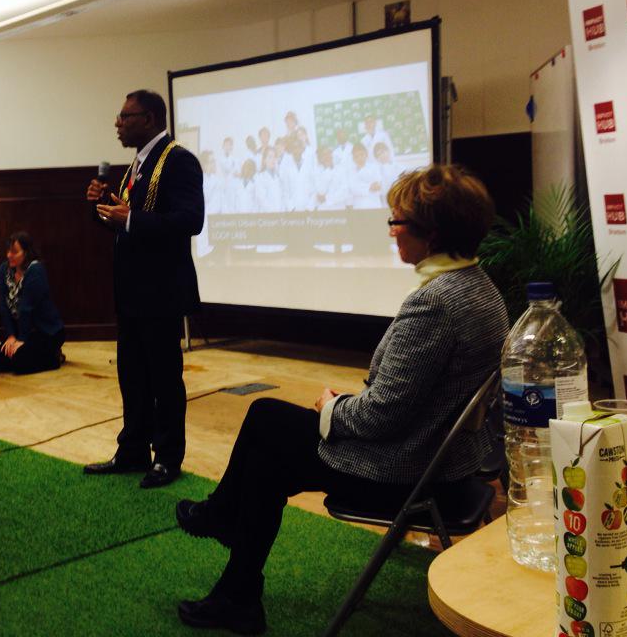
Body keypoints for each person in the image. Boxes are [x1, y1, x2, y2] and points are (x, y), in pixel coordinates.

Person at [173, 164, 509, 634]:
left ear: (431, 234)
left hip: (410, 472)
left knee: (267, 436)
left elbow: (383, 416)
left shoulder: (436, 301)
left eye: (397, 222)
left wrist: (331, 407)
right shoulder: (480, 288)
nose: (391, 231)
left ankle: (231, 554)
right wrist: (344, 405)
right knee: (267, 428)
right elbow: (412, 398)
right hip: (445, 461)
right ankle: (230, 557)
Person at [85, 89, 204, 489]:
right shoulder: (137, 163)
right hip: (132, 290)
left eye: (125, 116)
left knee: (164, 378)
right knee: (132, 374)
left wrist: (130, 217)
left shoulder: (179, 160)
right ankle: (133, 449)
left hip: (161, 290)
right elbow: (127, 221)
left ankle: (168, 457)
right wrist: (103, 208)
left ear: (150, 118)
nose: (117, 123)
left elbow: (190, 220)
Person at [0, 232, 65, 375]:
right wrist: (11, 336)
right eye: (8, 251)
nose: (9, 255)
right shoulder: (4, 269)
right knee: (0, 361)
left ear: (26, 252)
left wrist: (22, 339)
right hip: (21, 330)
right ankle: (38, 354)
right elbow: (3, 305)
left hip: (45, 331)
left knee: (20, 363)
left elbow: (27, 308)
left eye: (14, 252)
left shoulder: (35, 270)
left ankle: (54, 357)